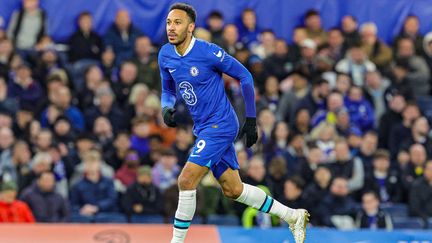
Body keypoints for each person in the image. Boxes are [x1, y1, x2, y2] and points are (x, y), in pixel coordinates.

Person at [159, 4, 308, 243]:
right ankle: (292, 215)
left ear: (191, 27)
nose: (171, 28)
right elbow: (167, 88)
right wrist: (166, 106)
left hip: (221, 125)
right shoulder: (165, 54)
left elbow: (245, 76)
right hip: (203, 128)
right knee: (233, 190)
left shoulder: (208, 52)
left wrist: (251, 119)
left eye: (177, 22)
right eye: (168, 22)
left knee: (186, 180)